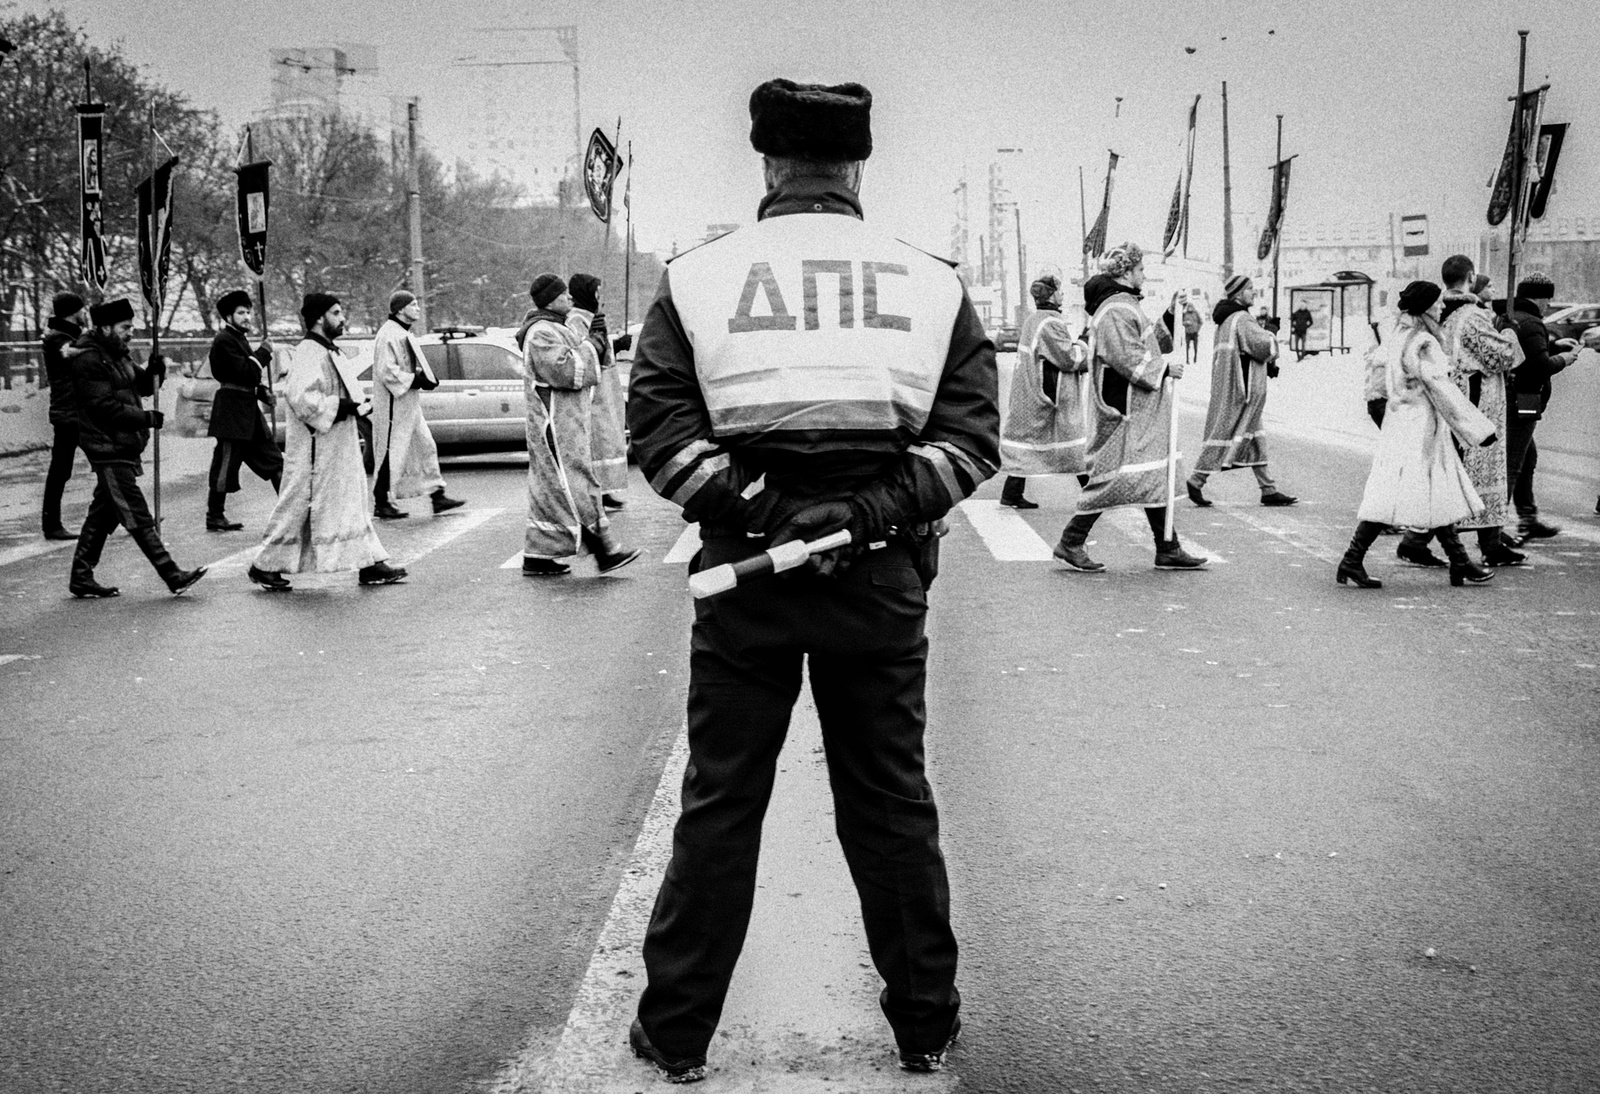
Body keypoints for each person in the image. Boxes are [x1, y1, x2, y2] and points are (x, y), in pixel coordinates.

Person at [626, 78, 995, 1082]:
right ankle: (924, 1024)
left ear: (768, 162)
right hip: (880, 587)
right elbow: (968, 444)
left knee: (721, 803)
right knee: (888, 804)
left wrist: (773, 515)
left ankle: (677, 1032)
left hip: (744, 579)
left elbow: (659, 437)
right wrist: (863, 515)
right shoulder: (931, 281)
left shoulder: (697, 278)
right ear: (857, 164)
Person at [1053, 243, 1206, 572]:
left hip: (1136, 407)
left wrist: (1170, 315)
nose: (1143, 275)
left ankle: (1168, 546)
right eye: (1139, 270)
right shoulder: (1116, 309)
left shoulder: (1124, 306)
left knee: (1149, 473)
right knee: (1115, 477)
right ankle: (1071, 541)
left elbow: (1147, 343)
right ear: (1125, 272)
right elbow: (1127, 356)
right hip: (1124, 409)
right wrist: (1164, 370)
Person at [1336, 281, 1496, 589]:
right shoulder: (1424, 341)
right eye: (1435, 304)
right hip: (1422, 430)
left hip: (1401, 424)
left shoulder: (1398, 336)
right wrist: (1477, 429)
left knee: (1427, 492)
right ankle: (1352, 560)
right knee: (1411, 492)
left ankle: (1458, 562)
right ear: (1425, 308)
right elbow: (1443, 390)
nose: (1440, 307)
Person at [248, 293, 406, 591]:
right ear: (320, 318)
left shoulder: (328, 350)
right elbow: (300, 398)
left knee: (351, 502)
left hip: (335, 445)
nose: (342, 318)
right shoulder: (309, 352)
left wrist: (356, 405)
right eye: (336, 312)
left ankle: (370, 563)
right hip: (315, 451)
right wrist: (341, 406)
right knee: (299, 506)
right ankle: (264, 564)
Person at [66, 298, 206, 598]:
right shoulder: (88, 359)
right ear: (105, 327)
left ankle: (81, 576)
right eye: (125, 327)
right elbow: (103, 406)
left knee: (103, 513)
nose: (131, 332)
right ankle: (171, 574)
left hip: (122, 444)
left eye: (132, 326)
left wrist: (156, 370)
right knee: (135, 511)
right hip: (106, 445)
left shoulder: (118, 355)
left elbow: (143, 387)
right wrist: (145, 418)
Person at [1396, 256, 1523, 567]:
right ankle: (1418, 540)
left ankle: (1488, 541)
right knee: (1472, 471)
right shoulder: (1472, 316)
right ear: (1471, 276)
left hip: (1451, 399)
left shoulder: (1440, 313)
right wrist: (1508, 333)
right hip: (1477, 402)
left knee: (1460, 471)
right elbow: (1502, 356)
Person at [518, 273, 640, 577]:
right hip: (554, 427)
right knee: (576, 487)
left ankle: (538, 556)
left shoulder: (554, 327)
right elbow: (566, 369)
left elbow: (585, 357)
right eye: (563, 295)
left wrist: (599, 343)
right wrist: (593, 347)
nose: (569, 299)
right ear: (550, 299)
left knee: (552, 492)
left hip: (566, 423)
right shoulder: (540, 333)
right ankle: (604, 550)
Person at [1186, 275, 1297, 509]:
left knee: (1255, 437)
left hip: (1233, 386)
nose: (1253, 293)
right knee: (1224, 433)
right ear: (1238, 294)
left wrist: (1266, 366)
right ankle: (1196, 480)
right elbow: (1262, 346)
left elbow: (1243, 354)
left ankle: (1268, 489)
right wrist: (1272, 332)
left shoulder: (1226, 320)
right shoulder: (1242, 319)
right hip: (1242, 391)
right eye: (1250, 290)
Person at [370, 290, 464, 520]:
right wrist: (415, 380)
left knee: (426, 446)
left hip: (409, 404)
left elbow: (407, 365)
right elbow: (387, 371)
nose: (418, 309)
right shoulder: (388, 335)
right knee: (390, 451)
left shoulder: (403, 333)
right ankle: (381, 500)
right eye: (413, 304)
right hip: (394, 406)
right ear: (400, 309)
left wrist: (423, 376)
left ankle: (436, 494)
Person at [998, 274, 1089, 509]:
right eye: (1059, 290)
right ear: (1051, 294)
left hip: (1030, 395)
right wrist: (1083, 344)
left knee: (1026, 445)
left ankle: (1012, 493)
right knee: (1073, 444)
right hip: (1049, 397)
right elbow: (1068, 359)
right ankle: (1091, 492)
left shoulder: (1033, 320)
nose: (1063, 294)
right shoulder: (1051, 323)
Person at [1500, 272, 1578, 542]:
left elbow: (1524, 352)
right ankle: (1494, 531)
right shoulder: (1532, 322)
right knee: (1512, 463)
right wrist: (1564, 359)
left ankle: (1528, 518)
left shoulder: (1512, 317)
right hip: (1525, 397)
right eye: (1548, 299)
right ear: (1539, 297)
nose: (1549, 306)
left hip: (1513, 396)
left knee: (1527, 457)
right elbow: (1537, 367)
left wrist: (1554, 344)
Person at [204, 289, 284, 532]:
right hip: (231, 413)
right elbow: (243, 372)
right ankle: (214, 515)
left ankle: (291, 511)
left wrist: (262, 392)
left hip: (248, 412)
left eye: (249, 312)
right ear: (229, 316)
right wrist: (264, 353)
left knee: (274, 460)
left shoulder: (239, 338)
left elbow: (250, 378)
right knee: (225, 464)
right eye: (241, 313)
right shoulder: (224, 340)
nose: (247, 316)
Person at [569, 273, 630, 511]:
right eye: (596, 291)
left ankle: (605, 488)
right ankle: (595, 490)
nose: (599, 296)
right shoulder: (576, 320)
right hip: (594, 391)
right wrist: (609, 342)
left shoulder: (593, 317)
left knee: (607, 439)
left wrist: (614, 342)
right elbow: (585, 350)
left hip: (606, 389)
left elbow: (602, 350)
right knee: (597, 440)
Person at [41, 291, 88, 540]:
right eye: (82, 309)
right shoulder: (58, 339)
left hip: (73, 412)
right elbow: (73, 354)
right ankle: (51, 525)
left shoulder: (67, 336)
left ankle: (52, 524)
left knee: (104, 465)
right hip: (69, 412)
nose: (85, 313)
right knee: (62, 470)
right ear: (73, 311)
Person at [1181, 296, 1203, 364]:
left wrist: (1197, 328)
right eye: (1189, 307)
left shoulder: (1196, 313)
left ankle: (1195, 359)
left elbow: (1201, 322)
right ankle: (1187, 359)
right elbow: (1181, 322)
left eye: (1191, 307)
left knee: (1195, 347)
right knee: (1187, 347)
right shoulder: (1185, 314)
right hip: (1188, 333)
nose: (1190, 308)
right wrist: (1186, 323)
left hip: (1195, 333)